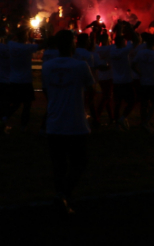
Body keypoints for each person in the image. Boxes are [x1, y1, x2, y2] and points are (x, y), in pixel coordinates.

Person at [42, 30, 95, 215]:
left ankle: (60, 196)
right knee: (79, 162)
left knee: (59, 165)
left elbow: (46, 90)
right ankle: (63, 196)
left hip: (54, 122)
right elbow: (91, 89)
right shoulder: (81, 66)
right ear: (73, 45)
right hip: (75, 123)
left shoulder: (47, 66)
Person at [7, 28, 41, 131]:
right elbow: (43, 45)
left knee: (15, 103)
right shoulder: (28, 47)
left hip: (14, 79)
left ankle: (4, 117)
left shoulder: (11, 45)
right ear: (26, 36)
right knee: (27, 104)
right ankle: (23, 125)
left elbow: (8, 38)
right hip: (26, 80)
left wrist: (14, 35)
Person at [132, 33, 154, 133]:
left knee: (144, 103)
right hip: (153, 81)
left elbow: (132, 64)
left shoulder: (140, 53)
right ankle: (146, 121)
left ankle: (144, 121)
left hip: (143, 81)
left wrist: (139, 73)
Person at [108, 35, 136, 130]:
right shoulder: (124, 51)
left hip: (116, 81)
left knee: (117, 103)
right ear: (121, 42)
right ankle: (122, 118)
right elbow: (133, 44)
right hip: (126, 81)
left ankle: (116, 124)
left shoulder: (112, 51)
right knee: (132, 101)